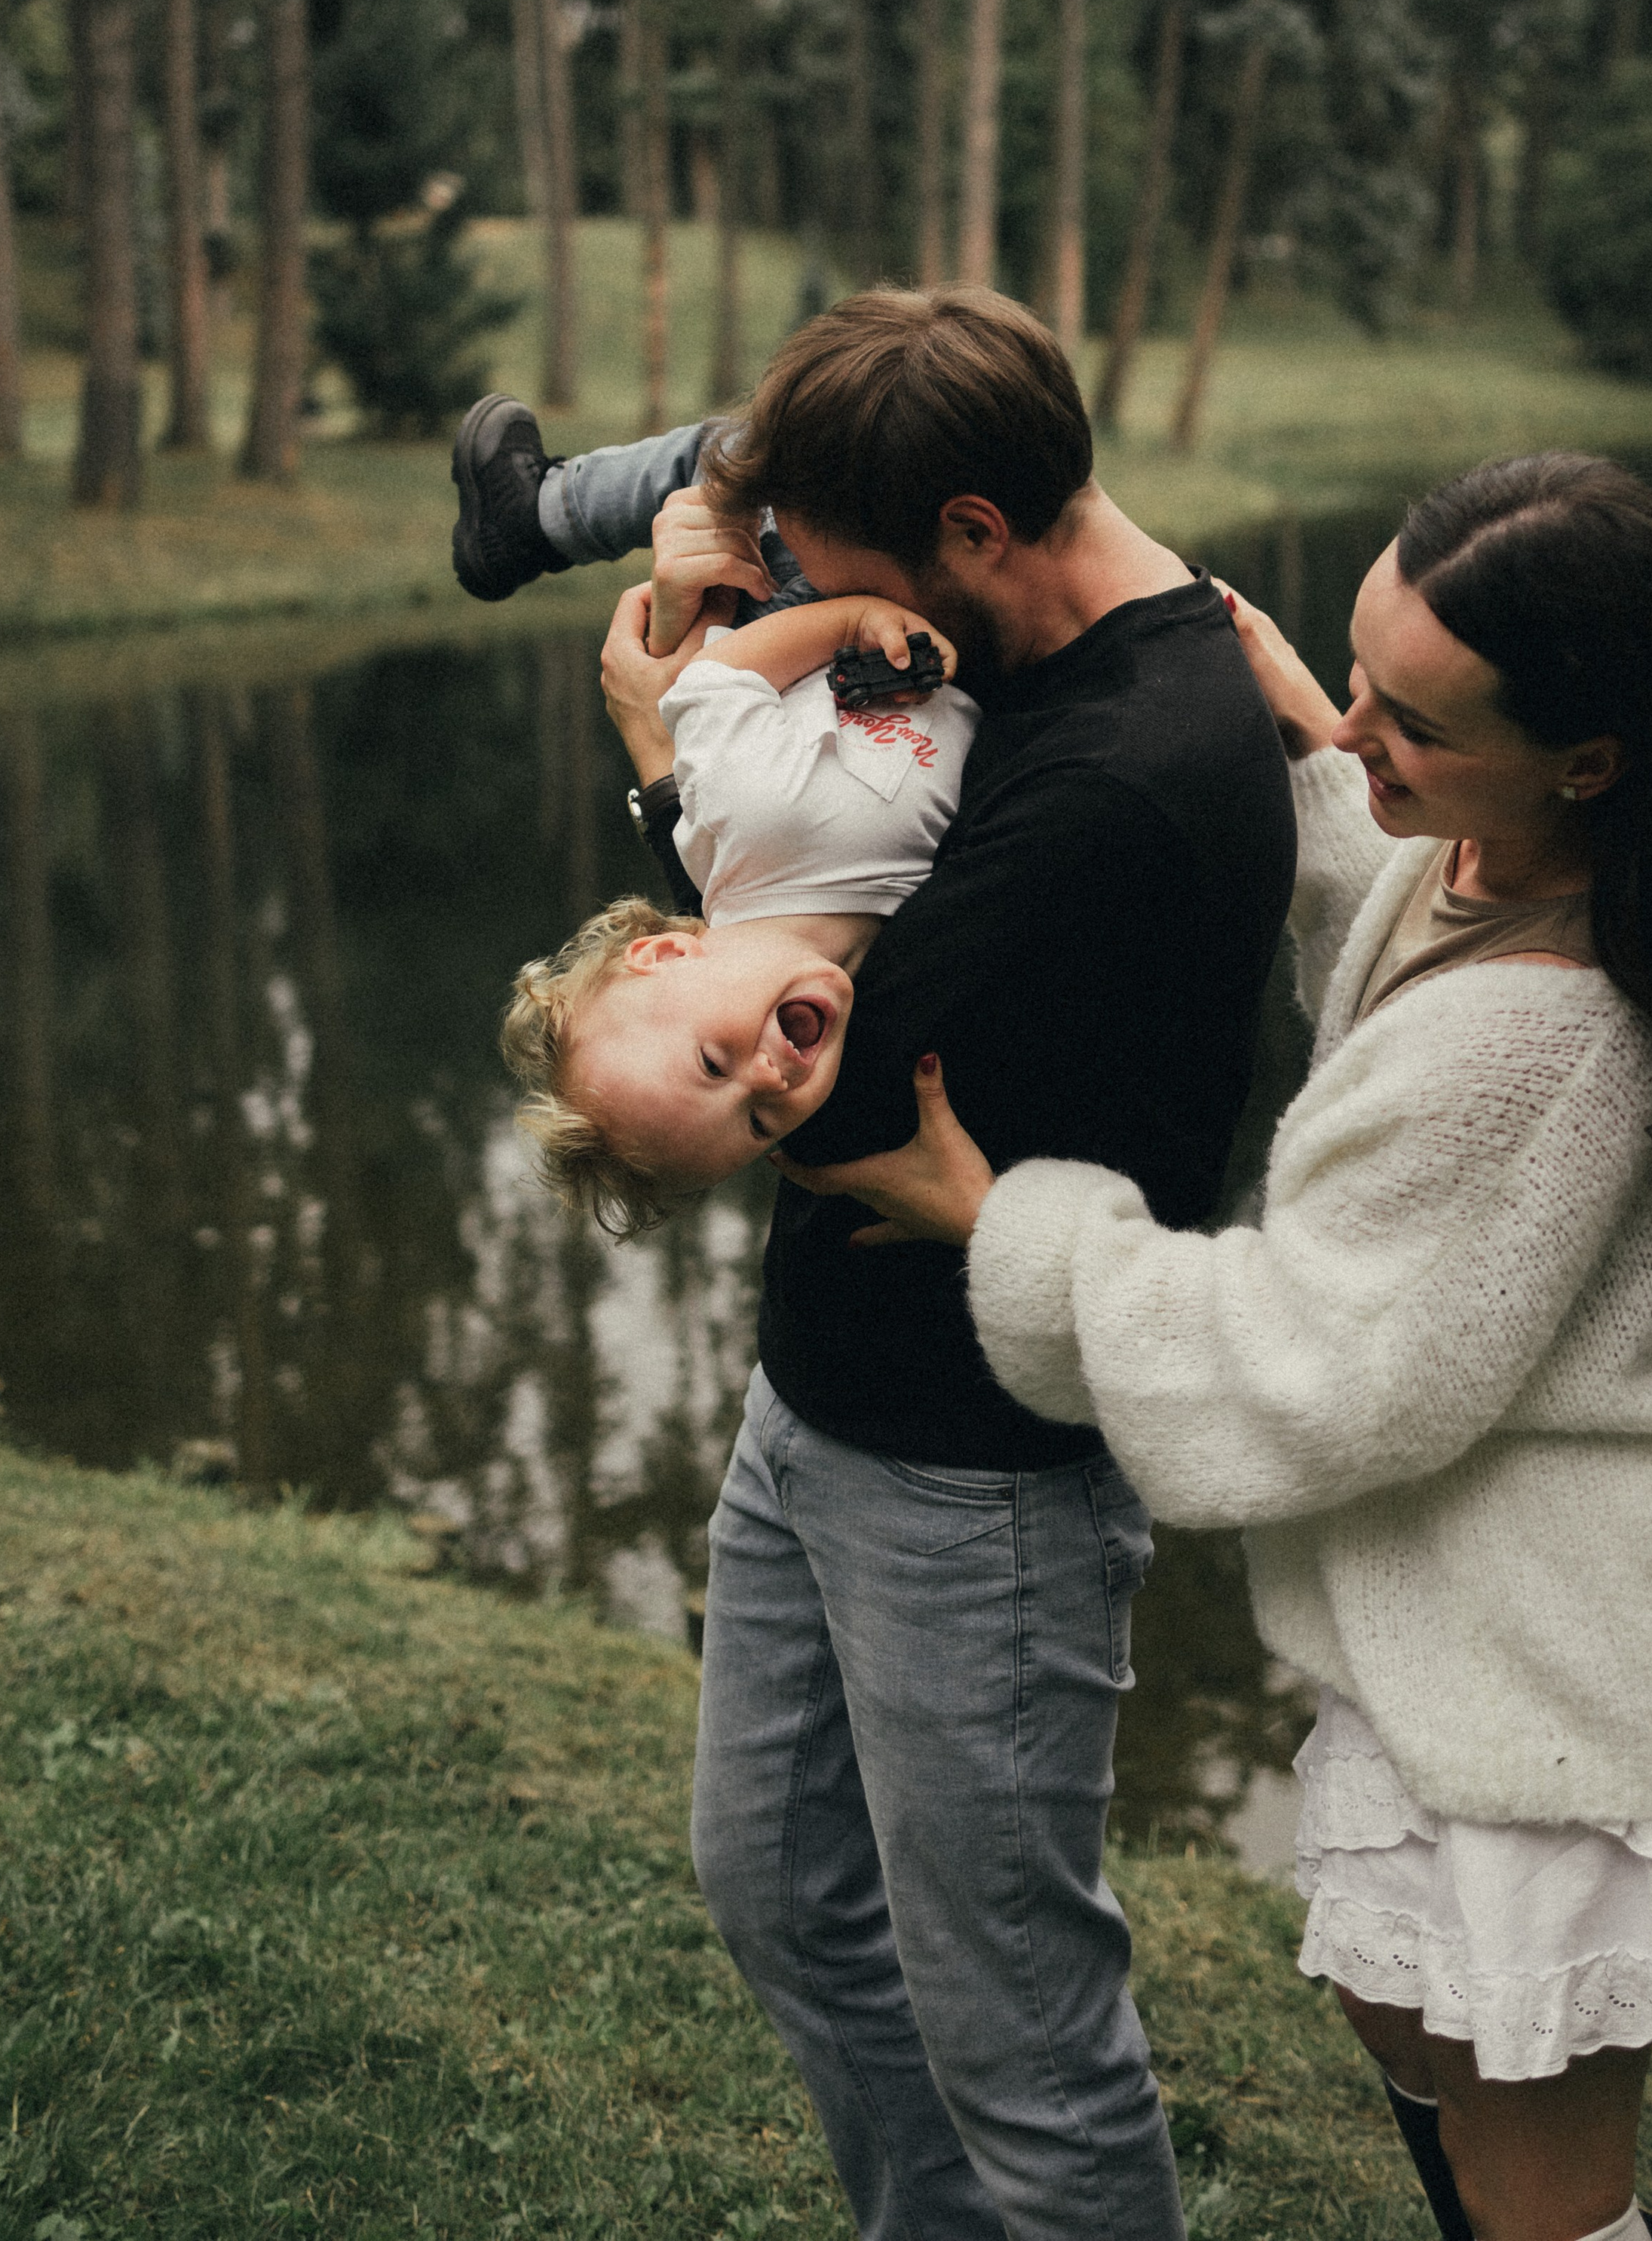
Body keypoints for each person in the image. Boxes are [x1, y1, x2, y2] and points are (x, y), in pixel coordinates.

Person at [783, 451, 1652, 2241]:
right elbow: (1394, 914)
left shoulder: (1541, 1044)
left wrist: (1003, 1223)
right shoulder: (1540, 859)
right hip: (1494, 1610)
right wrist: (1303, 733)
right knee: (1401, 2012)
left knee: (1536, 2194)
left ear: (1585, 758)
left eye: (1413, 723)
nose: (1364, 730)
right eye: (1357, 672)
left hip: (1563, 1673)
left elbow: (1315, 1363)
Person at [449, 288, 1298, 2241]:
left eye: (827, 563)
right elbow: (802, 940)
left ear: (973, 535)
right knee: (781, 1896)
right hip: (820, 1402)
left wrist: (665, 754)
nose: (794, 587)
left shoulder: (1123, 766)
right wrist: (749, 642)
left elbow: (810, 1075)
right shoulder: (1020, 627)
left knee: (1022, 2041)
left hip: (976, 1476)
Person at [498, 589, 974, 1231]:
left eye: (713, 1064)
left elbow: (713, 681)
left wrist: (853, 619)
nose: (769, 1082)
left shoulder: (750, 821)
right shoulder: (901, 977)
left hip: (828, 598)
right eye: (758, 1124)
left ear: (668, 952)